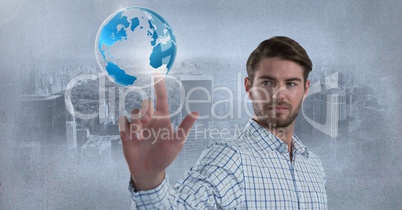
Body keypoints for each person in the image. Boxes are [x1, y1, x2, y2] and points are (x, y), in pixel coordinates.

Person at [119, 36, 327, 209]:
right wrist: (149, 181)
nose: (278, 94)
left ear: (306, 89)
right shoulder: (230, 159)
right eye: (266, 83)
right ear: (248, 87)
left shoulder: (313, 165)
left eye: (291, 84)